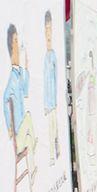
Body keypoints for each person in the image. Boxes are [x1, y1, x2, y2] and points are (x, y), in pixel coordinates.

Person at [3, 24, 37, 188]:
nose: (18, 46)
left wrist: (27, 67)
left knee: (30, 139)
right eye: (15, 42)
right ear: (11, 47)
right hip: (18, 134)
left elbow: (25, 90)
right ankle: (32, 172)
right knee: (29, 119)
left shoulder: (17, 76)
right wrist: (10, 127)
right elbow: (5, 99)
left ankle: (32, 175)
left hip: (23, 133)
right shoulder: (11, 80)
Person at [43, 11, 60, 165]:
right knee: (51, 129)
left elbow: (57, 79)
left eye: (50, 29)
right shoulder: (44, 56)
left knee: (54, 128)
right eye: (46, 29)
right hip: (47, 104)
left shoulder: (53, 55)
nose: (48, 33)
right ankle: (53, 153)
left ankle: (55, 152)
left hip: (53, 103)